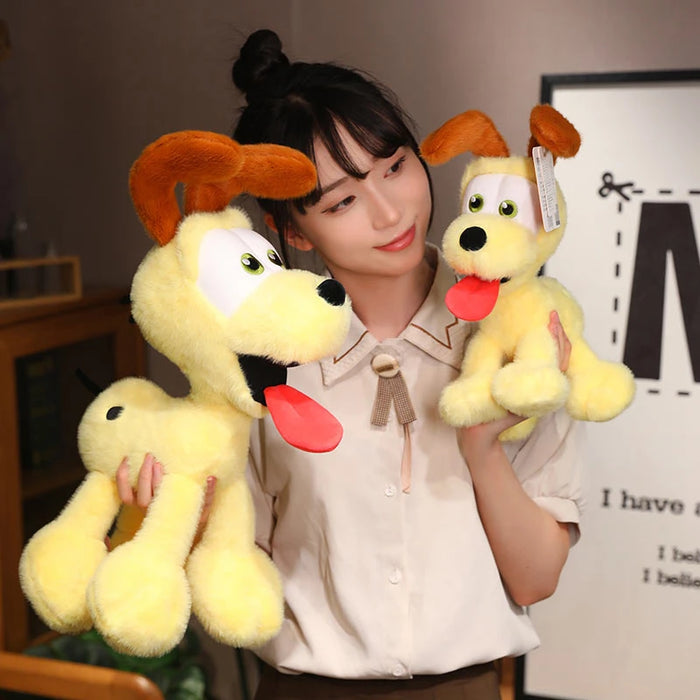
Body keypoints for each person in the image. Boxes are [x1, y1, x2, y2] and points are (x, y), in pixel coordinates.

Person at [119, 29, 584, 700]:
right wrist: (175, 521)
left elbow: (536, 579)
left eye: (394, 166)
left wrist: (482, 446)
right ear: (293, 230)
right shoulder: (254, 367)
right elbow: (237, 569)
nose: (390, 211)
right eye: (342, 201)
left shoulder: (519, 337)